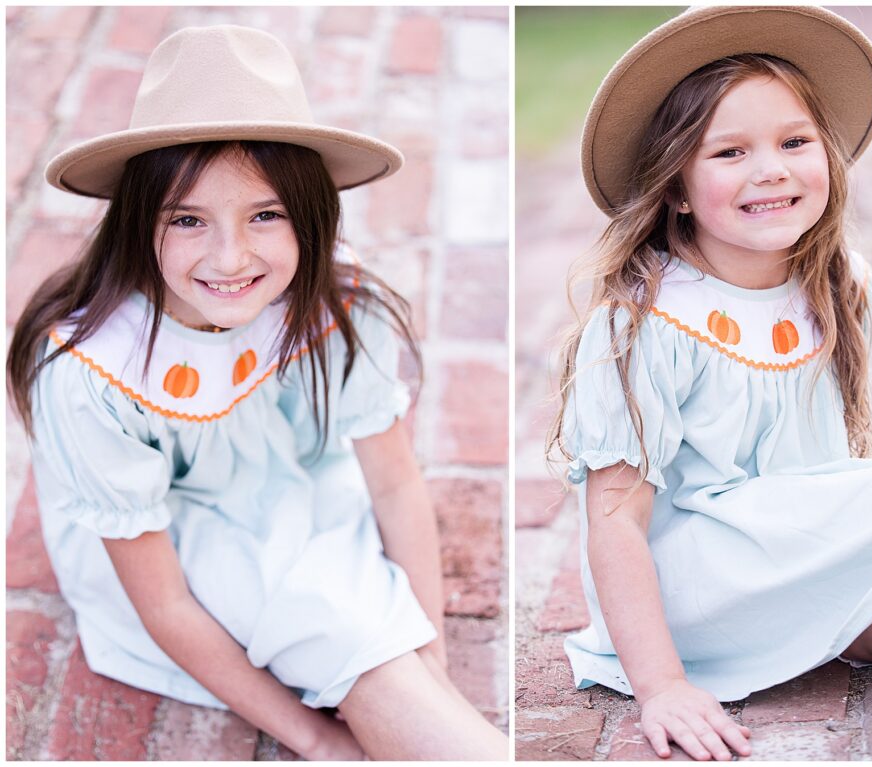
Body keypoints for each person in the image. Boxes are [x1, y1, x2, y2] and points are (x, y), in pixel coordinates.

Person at [7, 25, 507, 761]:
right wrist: (316, 738)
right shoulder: (91, 370)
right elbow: (166, 602)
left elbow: (394, 481)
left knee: (375, 644)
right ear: (137, 223)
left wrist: (430, 657)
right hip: (168, 541)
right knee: (339, 628)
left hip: (300, 483)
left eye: (264, 214)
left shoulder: (329, 296)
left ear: (309, 214)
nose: (231, 257)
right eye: (186, 219)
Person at [547, 6, 872, 761]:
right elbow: (615, 521)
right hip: (696, 587)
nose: (771, 168)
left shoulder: (841, 286)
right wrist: (661, 682)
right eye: (729, 152)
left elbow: (820, 469)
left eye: (794, 142)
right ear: (673, 187)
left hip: (802, 560)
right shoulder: (641, 323)